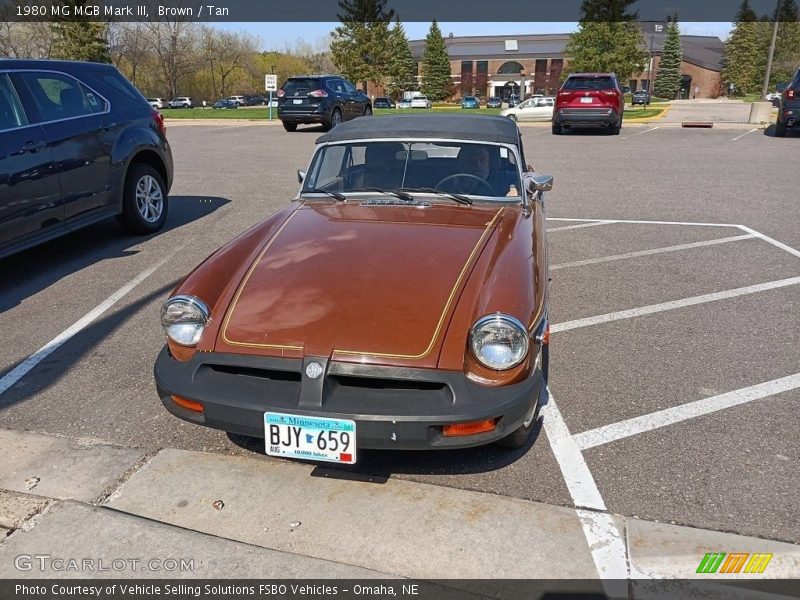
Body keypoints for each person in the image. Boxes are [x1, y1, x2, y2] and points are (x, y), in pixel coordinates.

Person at [447, 145, 519, 197]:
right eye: (471, 160)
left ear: (488, 163)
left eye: (482, 160)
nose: (478, 165)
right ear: (461, 163)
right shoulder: (448, 179)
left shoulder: (501, 177)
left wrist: (514, 188)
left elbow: (526, 177)